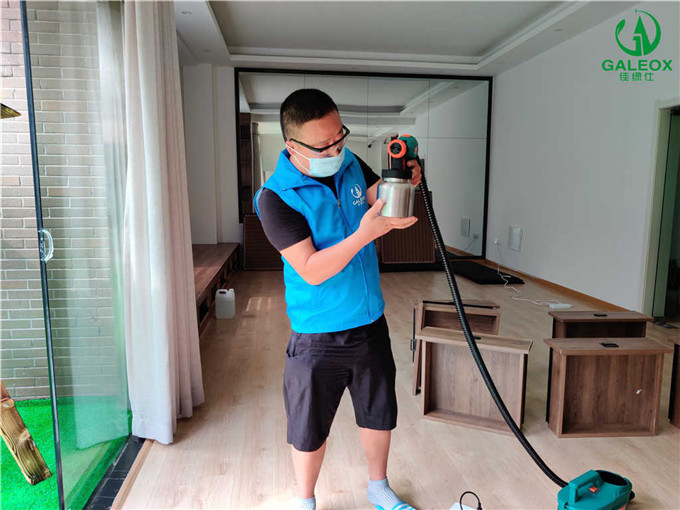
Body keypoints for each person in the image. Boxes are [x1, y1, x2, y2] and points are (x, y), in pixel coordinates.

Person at [254, 88, 421, 510]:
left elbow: (375, 195)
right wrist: (364, 235)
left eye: (339, 137)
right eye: (323, 145)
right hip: (317, 335)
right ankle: (305, 500)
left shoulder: (349, 162)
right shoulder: (275, 198)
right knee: (308, 427)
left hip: (369, 321)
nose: (335, 149)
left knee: (378, 412)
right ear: (292, 145)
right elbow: (310, 269)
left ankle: (378, 486)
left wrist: (402, 179)